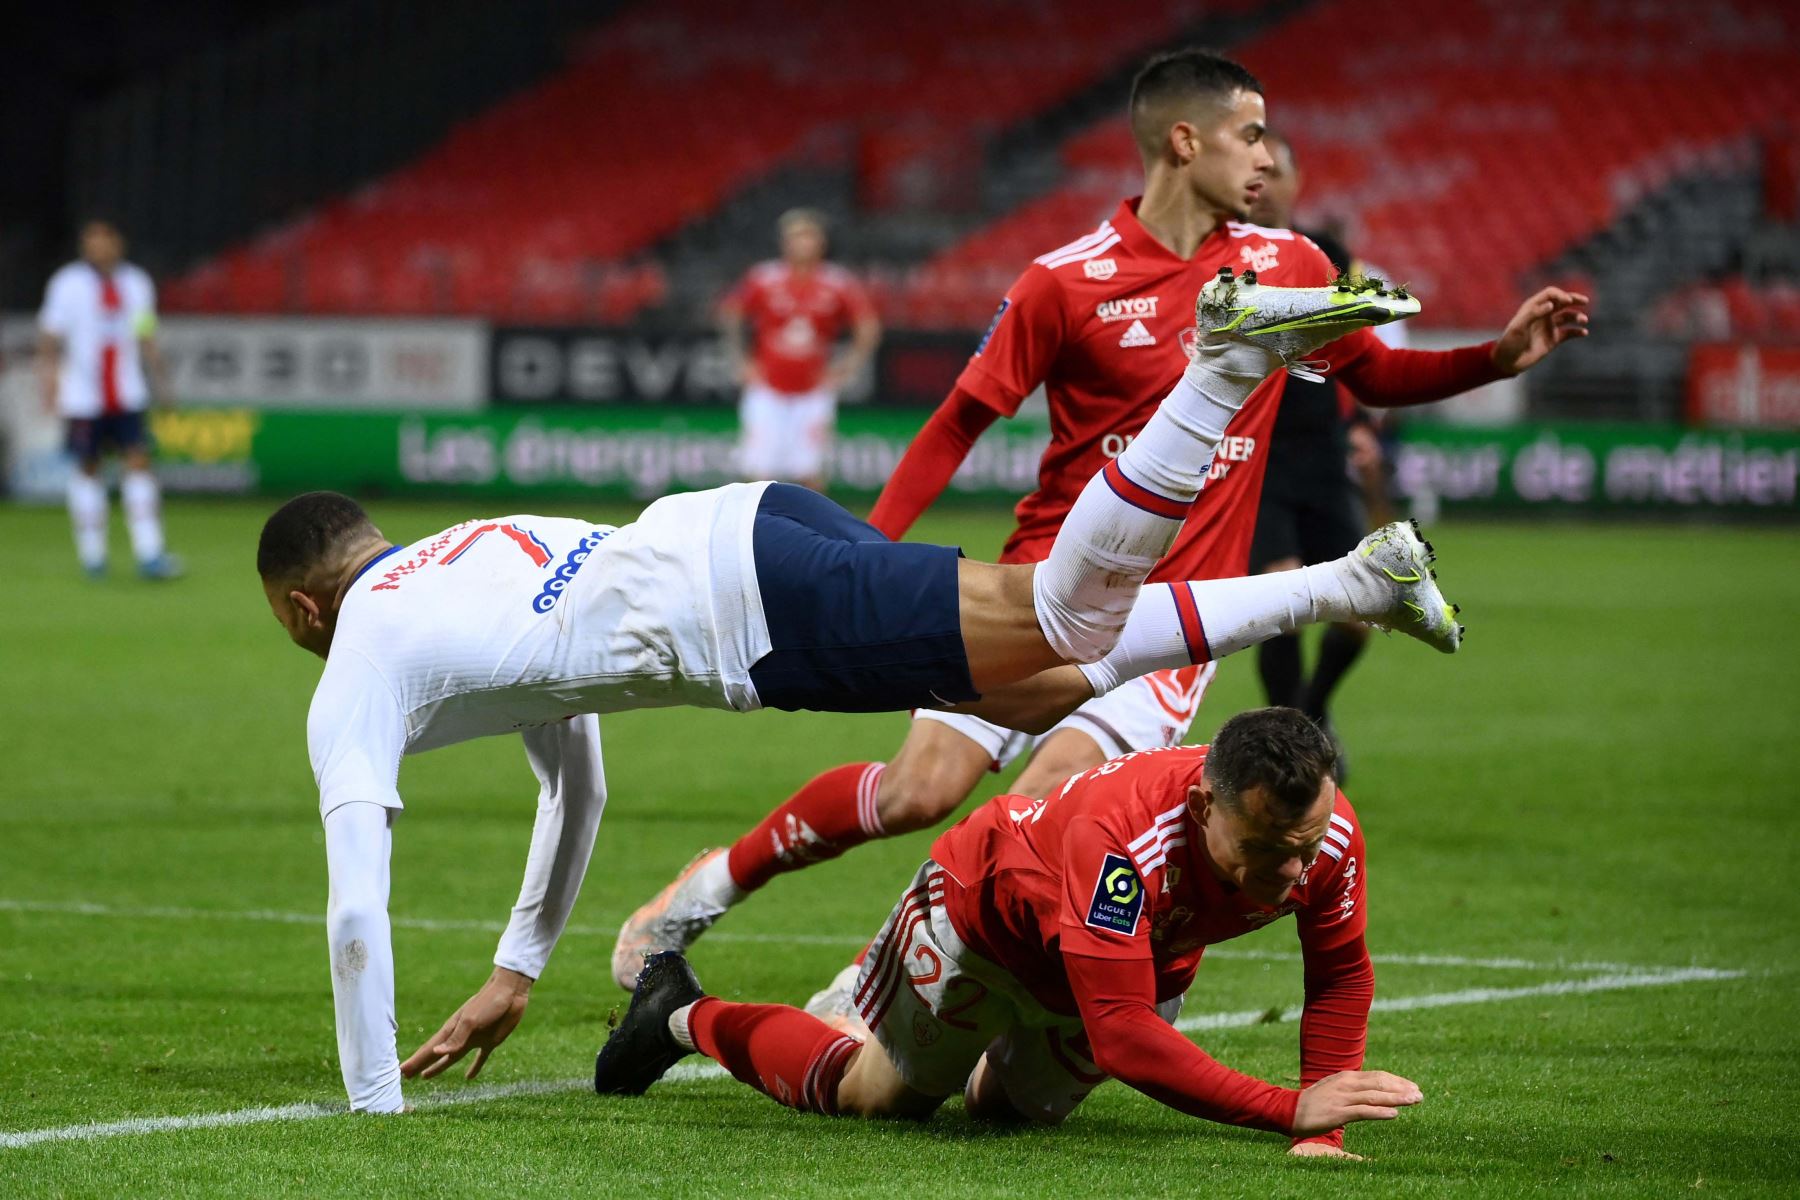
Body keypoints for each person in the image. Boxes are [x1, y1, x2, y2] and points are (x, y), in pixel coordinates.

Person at [262, 269, 1461, 1113]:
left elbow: (357, 916)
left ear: (300, 611)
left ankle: (1221, 367)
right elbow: (571, 771)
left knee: (1062, 615)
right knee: (1050, 679)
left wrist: (374, 1110)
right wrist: (517, 970)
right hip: (746, 536)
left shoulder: (359, 655)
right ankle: (1353, 577)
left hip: (742, 608)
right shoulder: (454, 563)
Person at [611, 48, 1589, 988]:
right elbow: (958, 422)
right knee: (915, 794)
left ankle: (866, 991)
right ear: (1181, 141)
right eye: (1249, 135)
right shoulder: (1065, 280)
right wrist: (869, 560)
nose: (1267, 158)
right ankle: (705, 889)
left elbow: (1370, 372)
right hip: (1032, 591)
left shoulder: (1284, 263)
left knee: (1041, 806)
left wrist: (1492, 360)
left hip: (1171, 623)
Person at [595, 708, 1413, 1160]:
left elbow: (1339, 973)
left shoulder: (1326, 836)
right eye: (1266, 852)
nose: (1292, 875)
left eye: (1303, 849)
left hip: (1123, 956)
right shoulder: (1124, 844)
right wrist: (1285, 1108)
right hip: (980, 921)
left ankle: (965, 1045)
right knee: (879, 1102)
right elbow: (1125, 1035)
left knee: (1008, 1118)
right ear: (1204, 808)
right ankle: (678, 1012)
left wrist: (1324, 1129)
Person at [1243, 130, 1415, 775]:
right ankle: (1288, 750)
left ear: (1295, 182)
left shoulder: (1335, 258)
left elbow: (1364, 350)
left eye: (1273, 171)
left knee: (1359, 613)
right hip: (1256, 459)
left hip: (1321, 455)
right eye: (1252, 171)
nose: (1260, 183)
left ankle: (1311, 718)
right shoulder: (1221, 258)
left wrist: (1365, 423)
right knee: (1281, 602)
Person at [37, 217, 181, 579]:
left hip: (127, 392)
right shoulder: (67, 283)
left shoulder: (136, 282)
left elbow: (145, 333)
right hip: (84, 395)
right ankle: (93, 555)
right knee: (88, 468)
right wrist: (49, 381)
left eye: (104, 239)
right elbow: (50, 336)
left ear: (119, 243)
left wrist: (161, 381)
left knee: (138, 464)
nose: (98, 247)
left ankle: (150, 552)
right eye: (91, 240)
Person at [721, 208, 882, 492]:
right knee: (758, 472)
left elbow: (867, 327)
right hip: (768, 387)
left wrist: (849, 366)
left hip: (812, 389)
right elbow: (731, 312)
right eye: (796, 236)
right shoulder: (764, 277)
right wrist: (741, 360)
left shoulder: (837, 282)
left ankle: (813, 533)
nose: (802, 243)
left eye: (808, 236)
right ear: (784, 242)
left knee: (810, 471)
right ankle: (756, 531)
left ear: (821, 242)